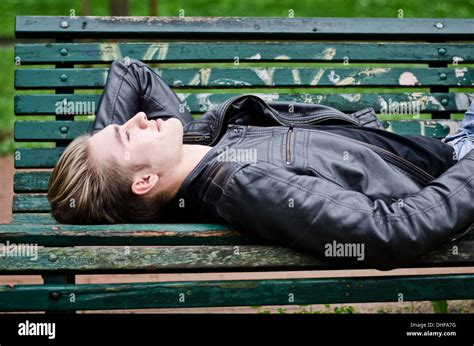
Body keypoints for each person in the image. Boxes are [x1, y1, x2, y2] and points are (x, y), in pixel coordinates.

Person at [48, 59, 474, 267]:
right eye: (126, 133)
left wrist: (107, 161)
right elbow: (389, 232)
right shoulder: (246, 187)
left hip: (445, 145)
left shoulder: (191, 144)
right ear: (145, 182)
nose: (138, 119)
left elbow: (130, 72)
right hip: (459, 167)